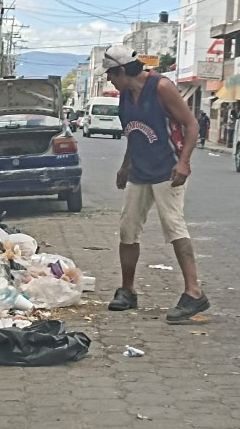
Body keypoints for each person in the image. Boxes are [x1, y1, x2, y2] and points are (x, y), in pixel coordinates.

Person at [102, 44, 209, 325]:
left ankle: (194, 292)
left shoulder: (161, 87)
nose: (109, 80)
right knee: (128, 228)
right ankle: (127, 291)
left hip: (166, 169)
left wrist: (184, 162)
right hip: (139, 170)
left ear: (122, 70)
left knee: (174, 227)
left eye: (110, 74)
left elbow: (191, 124)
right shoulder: (125, 96)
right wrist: (125, 166)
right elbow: (134, 133)